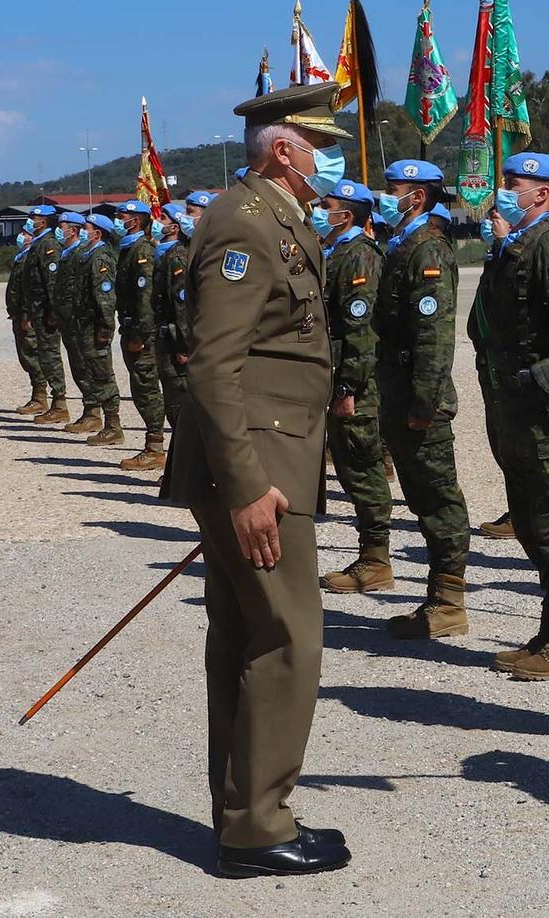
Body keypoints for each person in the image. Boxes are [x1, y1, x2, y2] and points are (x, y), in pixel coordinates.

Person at [160, 82, 351, 878]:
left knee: (248, 635)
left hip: (270, 453)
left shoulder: (272, 216)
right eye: (324, 147)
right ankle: (258, 826)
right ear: (285, 150)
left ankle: (245, 813)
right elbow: (213, 364)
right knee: (285, 641)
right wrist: (243, 487)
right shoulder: (246, 223)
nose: (333, 162)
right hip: (258, 465)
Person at [470, 152, 549, 679]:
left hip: (543, 413)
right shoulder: (514, 246)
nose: (502, 190)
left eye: (512, 183)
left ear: (541, 193)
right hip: (513, 407)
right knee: (531, 520)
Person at [371, 158, 470, 639]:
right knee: (421, 498)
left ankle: (449, 601)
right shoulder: (402, 245)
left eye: (395, 188)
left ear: (420, 195)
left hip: (419, 398)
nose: (387, 195)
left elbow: (434, 337)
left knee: (438, 500)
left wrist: (424, 403)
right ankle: (439, 596)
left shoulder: (428, 249)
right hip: (400, 392)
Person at [316, 180, 395, 594]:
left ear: (346, 215)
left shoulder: (360, 256)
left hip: (354, 385)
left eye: (325, 206)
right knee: (348, 467)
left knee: (362, 470)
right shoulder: (335, 251)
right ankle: (370, 555)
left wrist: (347, 387)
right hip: (335, 377)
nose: (318, 211)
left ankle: (377, 559)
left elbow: (360, 330)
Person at [113, 199, 168, 471]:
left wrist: (141, 334)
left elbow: (145, 297)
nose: (118, 219)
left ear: (135, 220)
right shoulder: (129, 248)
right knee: (140, 388)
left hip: (141, 333)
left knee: (147, 389)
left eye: (121, 215)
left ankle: (156, 447)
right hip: (131, 328)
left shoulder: (142, 250)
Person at [23, 204, 73, 427]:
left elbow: (52, 282)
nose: (30, 221)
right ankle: (54, 403)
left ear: (43, 222)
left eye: (33, 218)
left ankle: (60, 404)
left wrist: (53, 311)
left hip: (46, 313)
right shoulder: (39, 243)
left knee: (51, 356)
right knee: (44, 355)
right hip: (39, 311)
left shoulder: (49, 245)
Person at [78, 213, 124, 446]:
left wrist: (105, 328)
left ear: (97, 233)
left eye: (86, 228)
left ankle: (113, 426)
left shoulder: (100, 258)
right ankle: (104, 422)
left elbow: (104, 297)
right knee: (95, 374)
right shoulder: (89, 255)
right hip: (86, 326)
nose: (82, 232)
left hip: (96, 327)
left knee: (103, 375)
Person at [52, 212, 100, 434]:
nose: (59, 231)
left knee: (84, 367)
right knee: (77, 367)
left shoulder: (80, 253)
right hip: (67, 320)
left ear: (74, 229)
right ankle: (89, 411)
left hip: (77, 320)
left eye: (62, 227)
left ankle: (93, 413)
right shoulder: (66, 253)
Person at [152, 200, 196, 427]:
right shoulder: (166, 255)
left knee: (179, 398)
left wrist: (183, 345)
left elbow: (181, 306)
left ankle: (186, 457)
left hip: (175, 340)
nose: (158, 223)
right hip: (166, 336)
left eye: (163, 219)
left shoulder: (178, 257)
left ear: (175, 227)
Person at [6, 227, 49, 414]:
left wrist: (26, 314)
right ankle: (38, 396)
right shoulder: (21, 256)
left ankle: (40, 397)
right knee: (26, 357)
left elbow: (29, 289)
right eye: (21, 232)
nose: (21, 236)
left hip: (26, 315)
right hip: (18, 314)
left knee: (32, 356)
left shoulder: (29, 257)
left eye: (26, 233)